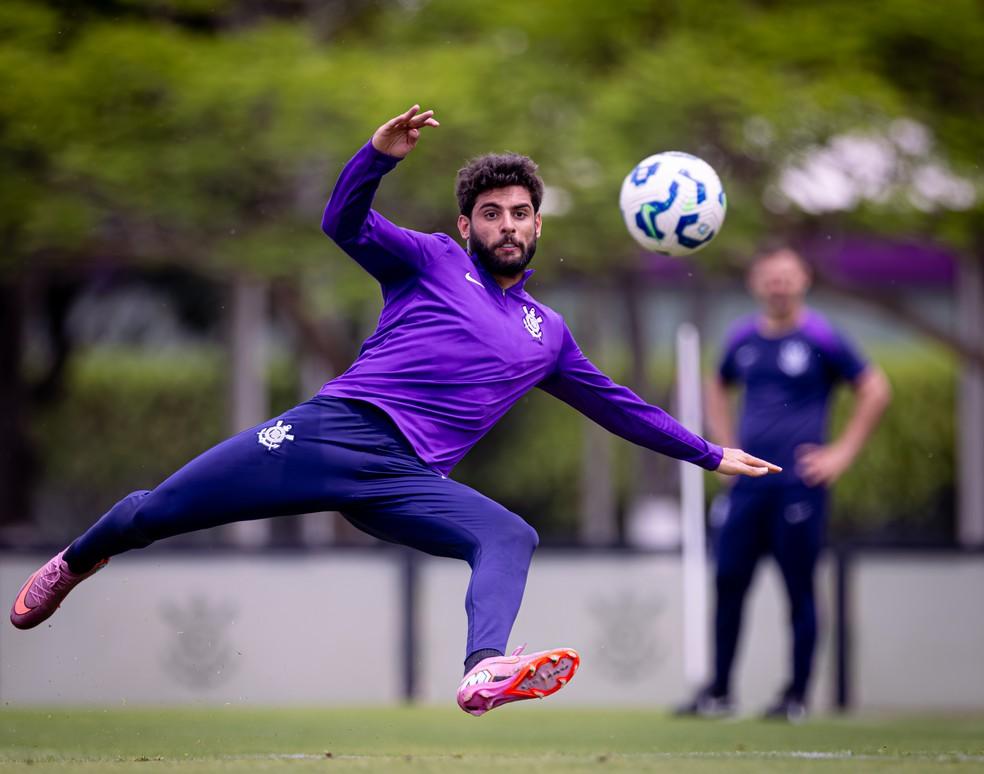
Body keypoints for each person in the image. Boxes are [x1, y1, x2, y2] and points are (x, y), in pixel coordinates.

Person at [10, 106, 779, 716]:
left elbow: (618, 407)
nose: (506, 224)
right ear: (465, 226)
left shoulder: (549, 334)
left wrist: (710, 454)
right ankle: (75, 561)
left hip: (406, 479)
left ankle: (484, 671)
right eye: (490, 212)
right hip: (330, 434)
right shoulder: (429, 262)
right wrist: (376, 158)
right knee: (158, 511)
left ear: (539, 225)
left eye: (519, 213)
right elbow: (341, 225)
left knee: (509, 534)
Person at [677, 246, 891, 722]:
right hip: (747, 487)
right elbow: (716, 383)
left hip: (798, 487)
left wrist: (841, 453)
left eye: (787, 277)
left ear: (804, 281)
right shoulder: (743, 338)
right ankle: (719, 692)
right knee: (729, 581)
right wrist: (724, 447)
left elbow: (875, 388)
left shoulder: (822, 337)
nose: (779, 285)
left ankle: (795, 696)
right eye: (770, 277)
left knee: (798, 589)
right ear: (756, 283)